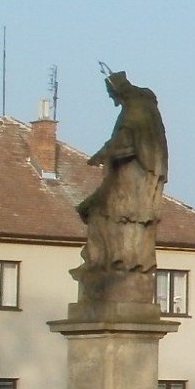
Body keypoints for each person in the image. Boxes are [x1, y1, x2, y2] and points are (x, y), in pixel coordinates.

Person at [73, 69, 169, 308]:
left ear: (118, 90)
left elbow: (126, 142)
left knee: (106, 213)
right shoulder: (140, 108)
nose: (110, 99)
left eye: (110, 93)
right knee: (103, 213)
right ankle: (110, 262)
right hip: (130, 175)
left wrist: (102, 155)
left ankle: (117, 262)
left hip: (133, 177)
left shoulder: (136, 109)